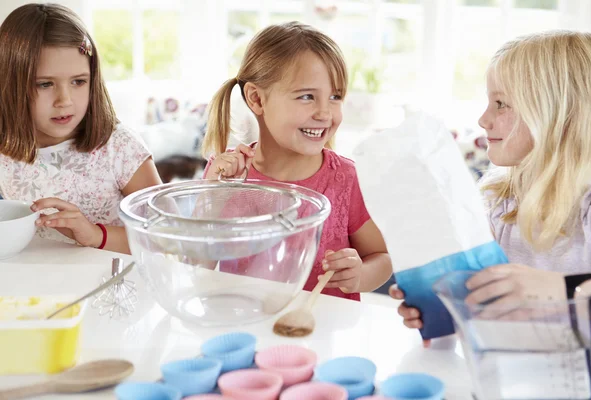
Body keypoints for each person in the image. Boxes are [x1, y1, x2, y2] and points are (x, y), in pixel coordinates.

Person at [391, 30, 591, 338]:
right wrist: (440, 305)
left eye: (501, 103)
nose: (483, 119)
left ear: (561, 113)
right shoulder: (498, 197)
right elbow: (485, 301)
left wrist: (560, 289)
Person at [201, 22, 392, 301]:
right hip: (242, 325)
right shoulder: (223, 177)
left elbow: (382, 257)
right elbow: (195, 267)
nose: (325, 112)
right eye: (306, 96)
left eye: (335, 96)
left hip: (321, 335)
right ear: (256, 99)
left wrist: (360, 274)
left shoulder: (347, 179)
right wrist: (212, 197)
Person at [0, 4, 162, 254]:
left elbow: (166, 237)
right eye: (44, 84)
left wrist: (96, 235)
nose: (64, 99)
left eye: (78, 81)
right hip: (35, 289)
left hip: (112, 286)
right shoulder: (5, 149)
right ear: (10, 84)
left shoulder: (119, 147)